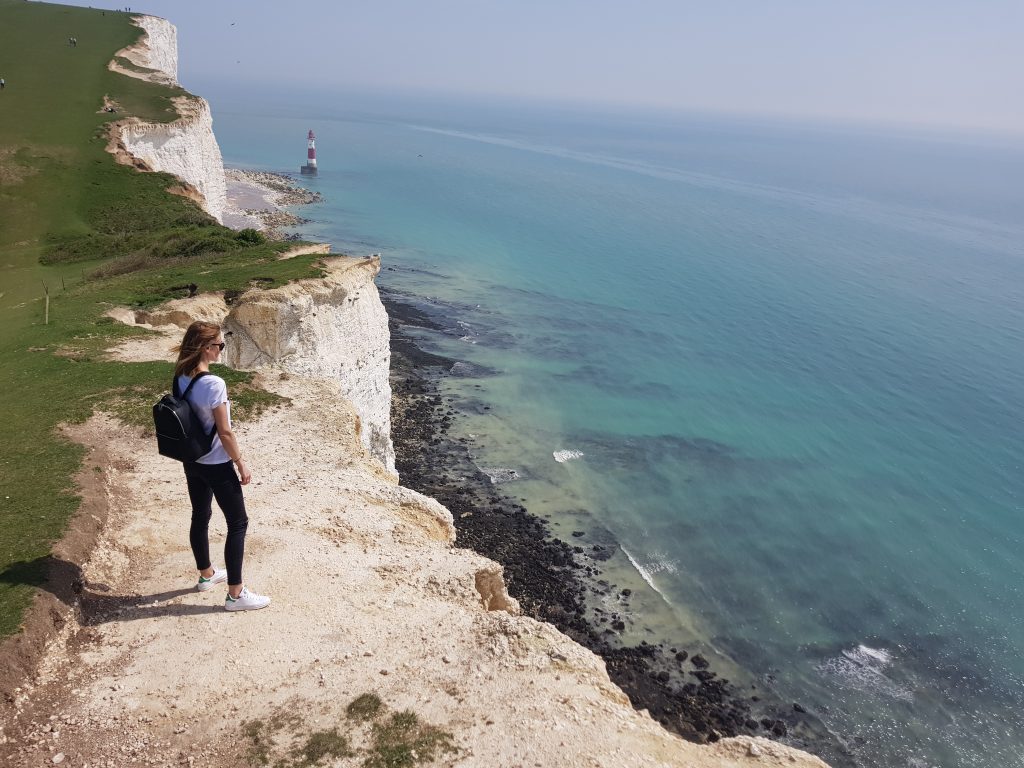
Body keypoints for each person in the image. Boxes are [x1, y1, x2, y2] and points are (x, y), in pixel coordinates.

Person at [173, 321, 270, 611]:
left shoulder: (181, 376)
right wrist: (240, 463)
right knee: (238, 523)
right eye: (218, 345)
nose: (221, 350)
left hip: (192, 460)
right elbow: (225, 431)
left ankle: (206, 575)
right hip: (216, 462)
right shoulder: (214, 384)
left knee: (200, 516)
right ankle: (236, 595)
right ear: (205, 348)